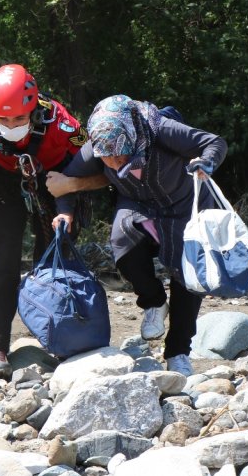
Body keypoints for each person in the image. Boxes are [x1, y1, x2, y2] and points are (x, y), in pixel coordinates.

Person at [51, 94, 227, 376]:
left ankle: (178, 352)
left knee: (188, 277)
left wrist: (206, 162)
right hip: (138, 204)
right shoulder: (98, 146)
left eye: (120, 154)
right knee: (123, 243)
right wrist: (65, 213)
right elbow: (63, 183)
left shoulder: (162, 130)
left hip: (185, 205)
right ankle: (154, 302)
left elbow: (214, 142)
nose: (113, 162)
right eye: (106, 157)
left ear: (132, 137)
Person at [0, 64, 107, 374]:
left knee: (56, 257)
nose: (11, 125)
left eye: (19, 119)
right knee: (3, 255)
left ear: (33, 110)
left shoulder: (64, 126)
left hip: (56, 177)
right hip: (1, 177)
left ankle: (62, 337)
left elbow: (96, 167)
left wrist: (69, 197)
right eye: (3, 119)